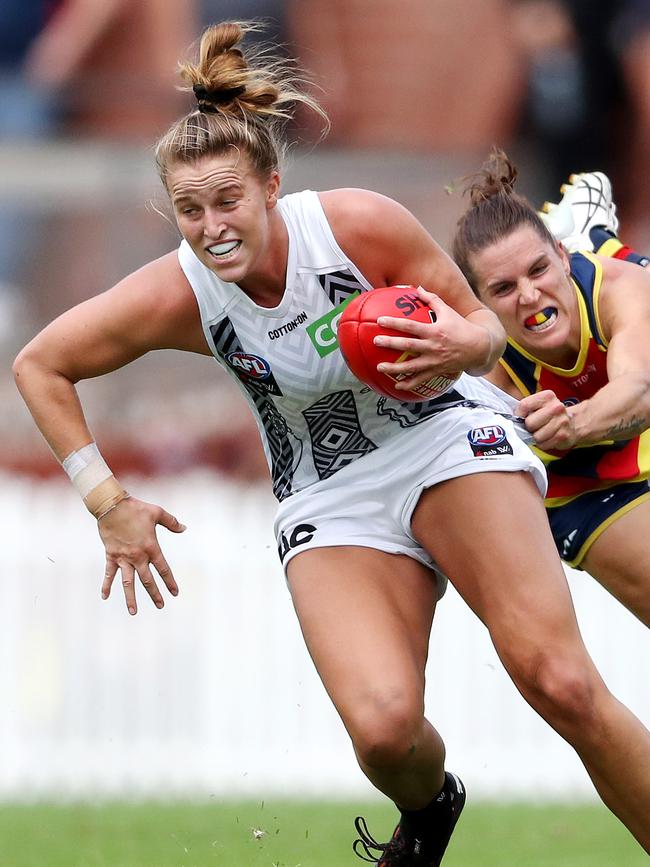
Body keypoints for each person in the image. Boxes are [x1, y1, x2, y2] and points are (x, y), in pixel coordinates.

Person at [13, 22, 650, 864]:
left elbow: (483, 335)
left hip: (445, 440)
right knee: (386, 734)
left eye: (229, 200)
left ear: (272, 186)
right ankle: (431, 807)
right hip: (331, 492)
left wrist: (462, 347)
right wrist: (108, 501)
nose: (214, 228)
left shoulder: (355, 226)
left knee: (561, 682)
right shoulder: (178, 292)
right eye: (191, 210)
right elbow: (40, 364)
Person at [451, 150, 650, 627]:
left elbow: (640, 392)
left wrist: (573, 421)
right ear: (478, 303)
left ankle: (594, 237)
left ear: (561, 255)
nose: (528, 296)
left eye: (538, 270)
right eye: (502, 289)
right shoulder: (483, 367)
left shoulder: (619, 289)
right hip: (578, 484)